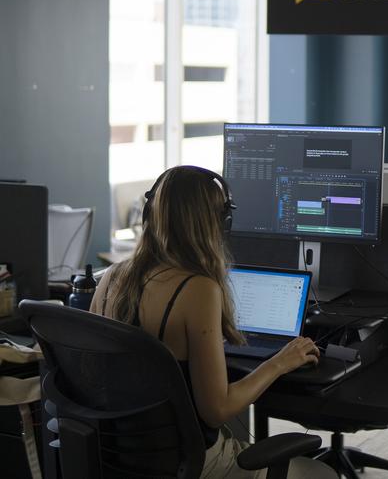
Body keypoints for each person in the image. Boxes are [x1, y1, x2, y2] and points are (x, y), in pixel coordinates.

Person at [91, 166, 332, 478]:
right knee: (321, 474)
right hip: (187, 465)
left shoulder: (112, 278)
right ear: (217, 223)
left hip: (119, 460)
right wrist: (280, 362)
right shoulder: (198, 289)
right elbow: (216, 410)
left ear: (151, 211)